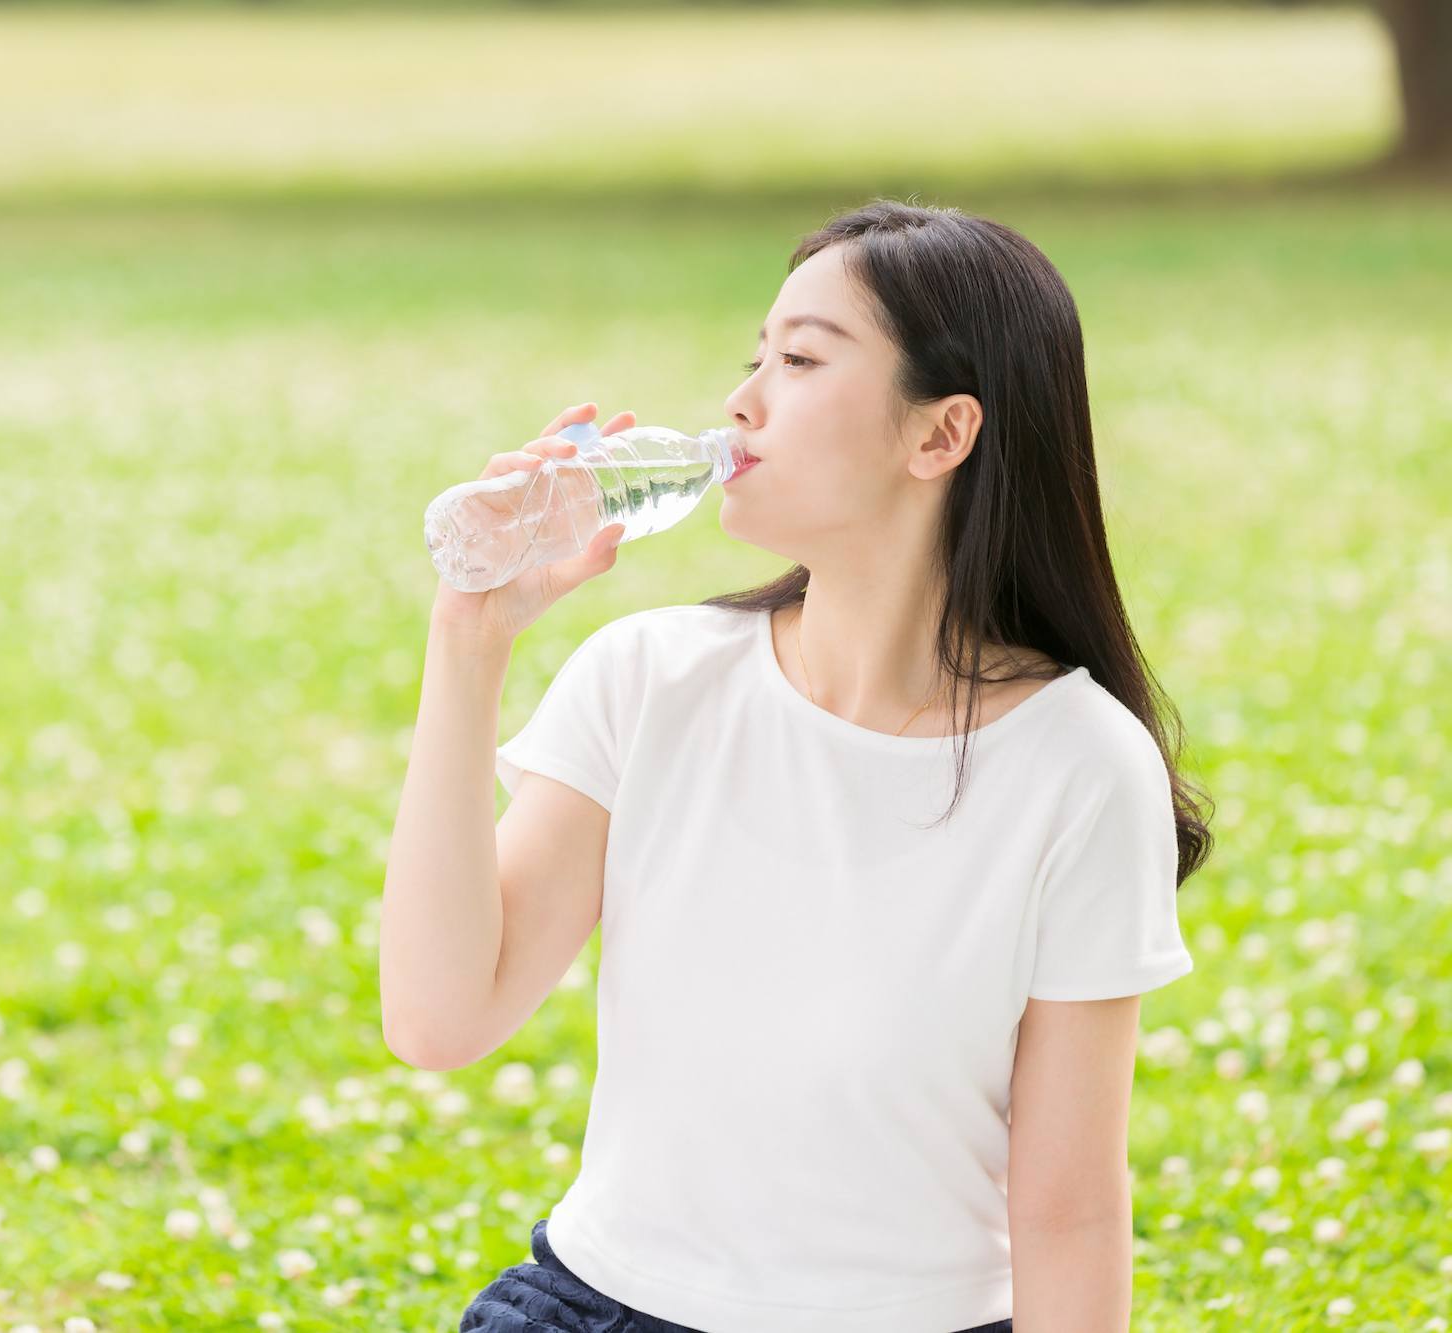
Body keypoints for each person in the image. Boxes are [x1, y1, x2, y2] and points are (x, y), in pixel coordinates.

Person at [382, 197, 1214, 1333]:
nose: (742, 400)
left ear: (940, 436)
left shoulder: (1078, 767)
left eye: (802, 360)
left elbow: (1069, 1212)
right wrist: (467, 638)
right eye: (755, 357)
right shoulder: (649, 678)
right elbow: (439, 1018)